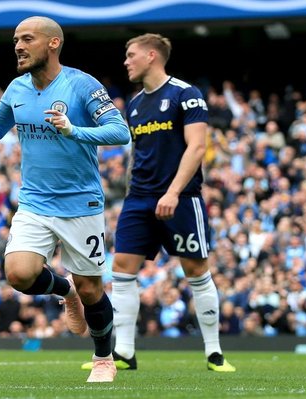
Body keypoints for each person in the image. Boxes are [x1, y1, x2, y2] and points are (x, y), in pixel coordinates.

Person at [0, 16, 131, 382]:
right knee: (18, 273)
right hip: (34, 201)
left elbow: (120, 131)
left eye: (27, 39)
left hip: (81, 203)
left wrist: (73, 129)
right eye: (15, 39)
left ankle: (103, 358)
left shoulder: (80, 85)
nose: (18, 46)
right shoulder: (16, 88)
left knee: (93, 287)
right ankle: (65, 291)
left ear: (53, 43)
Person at [81, 33, 235, 372]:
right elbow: (138, 154)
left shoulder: (186, 94)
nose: (126, 61)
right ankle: (124, 352)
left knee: (195, 270)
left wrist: (173, 192)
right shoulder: (135, 105)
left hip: (180, 198)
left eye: (131, 54)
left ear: (152, 56)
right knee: (121, 267)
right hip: (139, 199)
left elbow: (196, 148)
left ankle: (214, 353)